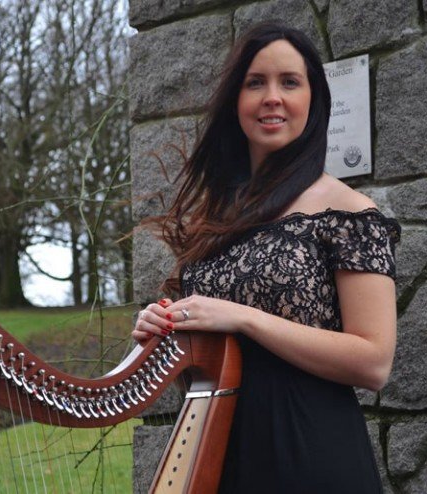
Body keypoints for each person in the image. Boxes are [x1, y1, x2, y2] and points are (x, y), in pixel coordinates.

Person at [133, 22, 399, 494]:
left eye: (289, 82)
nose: (271, 97)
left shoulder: (350, 212)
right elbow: (207, 366)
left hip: (309, 454)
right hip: (217, 453)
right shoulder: (216, 217)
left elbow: (374, 362)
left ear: (314, 101)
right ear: (236, 101)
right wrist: (168, 338)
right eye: (255, 82)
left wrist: (242, 318)